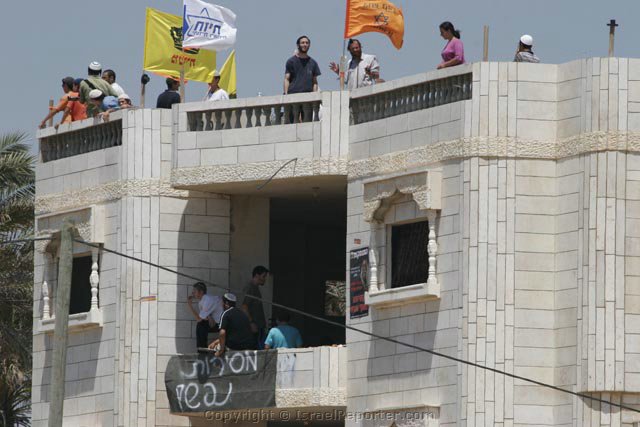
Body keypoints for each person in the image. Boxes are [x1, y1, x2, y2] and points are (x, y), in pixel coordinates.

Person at [186, 282, 224, 349]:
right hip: (216, 323)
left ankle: (202, 351)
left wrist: (190, 305)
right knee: (201, 324)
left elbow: (199, 319)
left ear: (201, 292)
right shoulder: (201, 301)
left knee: (201, 325)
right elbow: (205, 318)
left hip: (223, 324)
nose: (192, 293)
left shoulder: (207, 300)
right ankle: (201, 349)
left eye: (194, 291)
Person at [241, 265, 269, 349]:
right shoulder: (250, 288)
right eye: (263, 276)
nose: (265, 279)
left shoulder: (255, 288)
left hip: (259, 327)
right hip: (254, 327)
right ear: (257, 275)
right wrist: (251, 322)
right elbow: (244, 306)